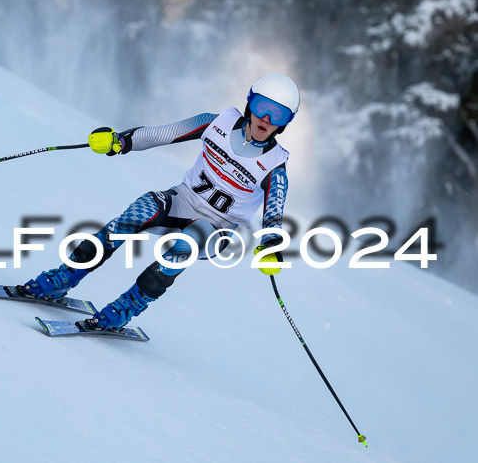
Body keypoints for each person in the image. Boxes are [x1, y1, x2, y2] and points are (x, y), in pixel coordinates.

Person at [22, 73, 300, 330]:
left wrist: (271, 245)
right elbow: (163, 133)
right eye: (263, 106)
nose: (266, 118)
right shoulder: (216, 123)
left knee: (186, 242)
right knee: (137, 213)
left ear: (286, 122)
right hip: (183, 201)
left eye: (278, 114)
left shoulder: (275, 165)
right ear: (250, 104)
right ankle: (65, 277)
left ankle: (126, 307)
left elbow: (274, 213)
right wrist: (120, 141)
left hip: (218, 227)